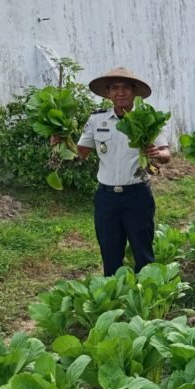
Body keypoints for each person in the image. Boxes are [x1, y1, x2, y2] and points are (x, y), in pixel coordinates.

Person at [74, 67, 171, 277]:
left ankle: (146, 296)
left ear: (134, 92)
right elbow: (80, 152)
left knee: (142, 250)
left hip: (137, 195)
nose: (121, 92)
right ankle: (114, 295)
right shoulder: (96, 120)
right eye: (115, 88)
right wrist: (59, 141)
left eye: (126, 87)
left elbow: (166, 154)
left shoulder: (148, 118)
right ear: (108, 93)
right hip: (106, 197)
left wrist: (157, 153)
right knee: (109, 251)